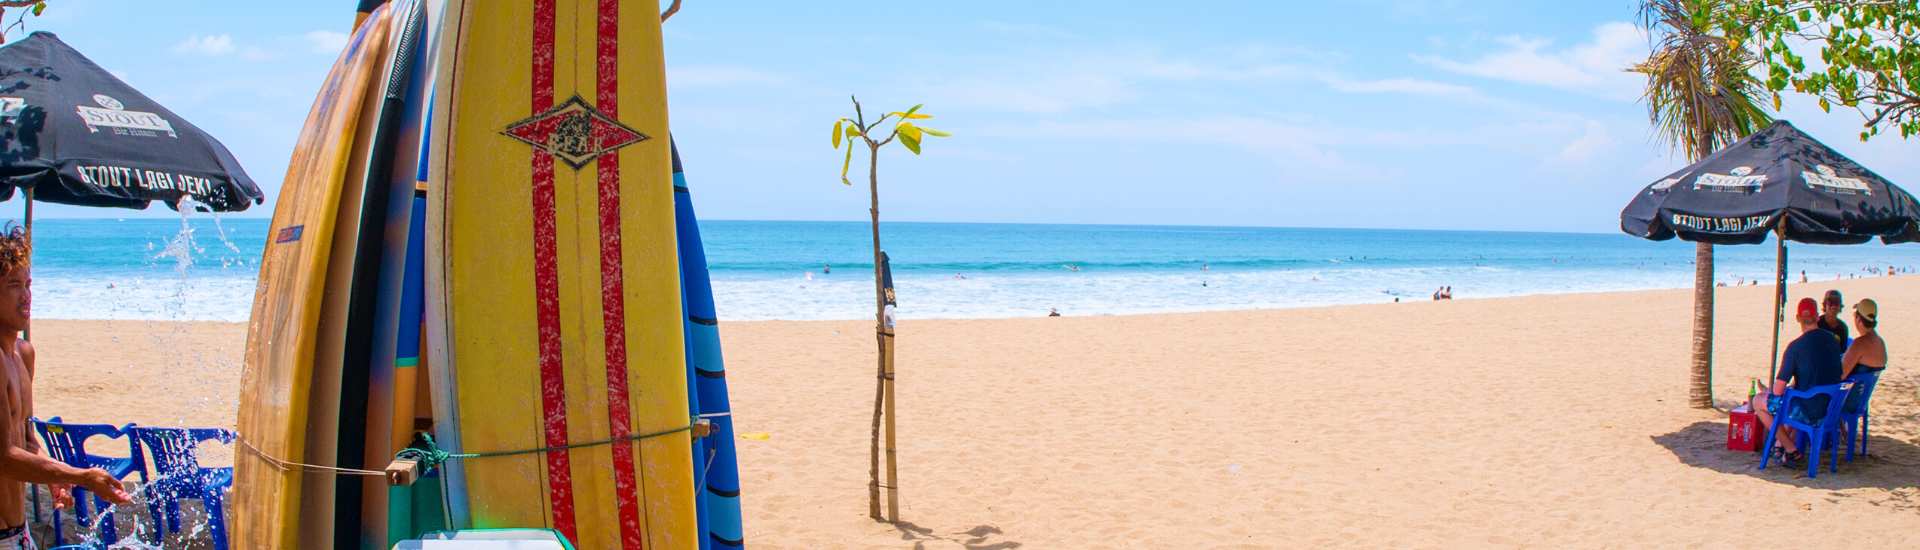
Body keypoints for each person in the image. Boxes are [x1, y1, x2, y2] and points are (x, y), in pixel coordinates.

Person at [0, 226, 131, 548]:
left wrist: (55, 479)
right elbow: (3, 456)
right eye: (13, 285)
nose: (26, 296)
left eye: (28, 284)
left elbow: (26, 439)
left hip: (19, 532)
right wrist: (79, 476)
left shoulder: (23, 353)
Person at [1747, 298, 1845, 462]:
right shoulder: (1833, 341)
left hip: (1808, 410)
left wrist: (1773, 392)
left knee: (1759, 401)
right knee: (1792, 395)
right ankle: (1780, 446)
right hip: (1831, 407)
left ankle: (1790, 448)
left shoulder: (1795, 347)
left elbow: (1778, 391)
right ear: (1817, 317)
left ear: (1798, 318)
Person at [1842, 299, 1886, 380]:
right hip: (1864, 391)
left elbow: (1839, 376)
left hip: (1849, 391)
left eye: (1854, 315)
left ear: (1858, 319)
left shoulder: (1859, 344)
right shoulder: (1880, 342)